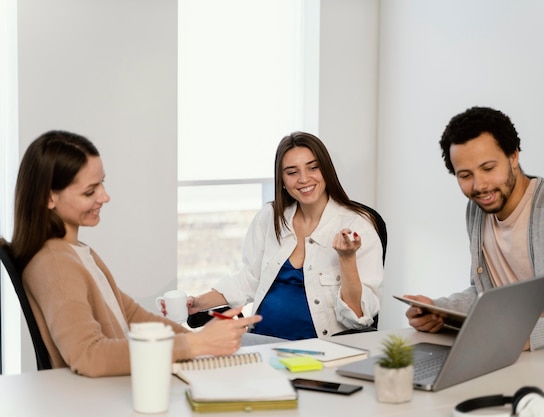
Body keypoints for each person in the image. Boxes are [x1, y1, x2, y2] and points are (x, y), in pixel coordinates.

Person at [4, 130, 261, 377]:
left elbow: (132, 316)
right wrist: (195, 346)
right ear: (50, 198)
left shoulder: (76, 253)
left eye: (102, 183)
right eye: (90, 191)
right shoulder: (55, 264)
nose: (105, 197)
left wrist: (199, 341)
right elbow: (88, 355)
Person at [404, 106, 544, 354]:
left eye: (488, 168)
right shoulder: (477, 211)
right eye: (465, 175)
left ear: (513, 156)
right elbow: (487, 292)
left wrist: (534, 335)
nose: (479, 185)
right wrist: (440, 310)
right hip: (521, 355)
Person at [164, 132, 384, 339]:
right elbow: (249, 279)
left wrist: (347, 258)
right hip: (260, 342)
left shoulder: (358, 226)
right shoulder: (270, 217)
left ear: (326, 170)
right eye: (292, 172)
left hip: (319, 350)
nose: (304, 179)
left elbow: (359, 318)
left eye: (313, 168)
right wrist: (197, 303)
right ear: (283, 181)